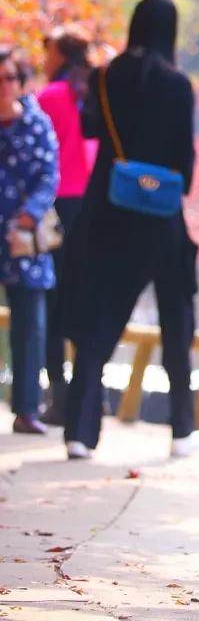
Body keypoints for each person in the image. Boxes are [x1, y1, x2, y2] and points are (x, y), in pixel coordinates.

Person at [63, 0, 198, 461]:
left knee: (101, 318)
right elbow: (185, 161)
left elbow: (87, 129)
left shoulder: (105, 76)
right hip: (161, 220)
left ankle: (79, 430)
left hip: (109, 213)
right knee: (176, 319)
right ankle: (182, 428)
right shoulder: (179, 85)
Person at [36, 26, 96, 424]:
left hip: (55, 206)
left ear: (59, 55)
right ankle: (92, 394)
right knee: (89, 300)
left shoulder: (48, 98)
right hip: (94, 208)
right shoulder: (96, 95)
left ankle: (59, 395)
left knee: (52, 301)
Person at [1, 48, 60, 434]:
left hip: (23, 235)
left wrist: (28, 215)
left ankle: (27, 408)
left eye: (8, 78)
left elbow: (48, 174)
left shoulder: (37, 123)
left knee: (31, 324)